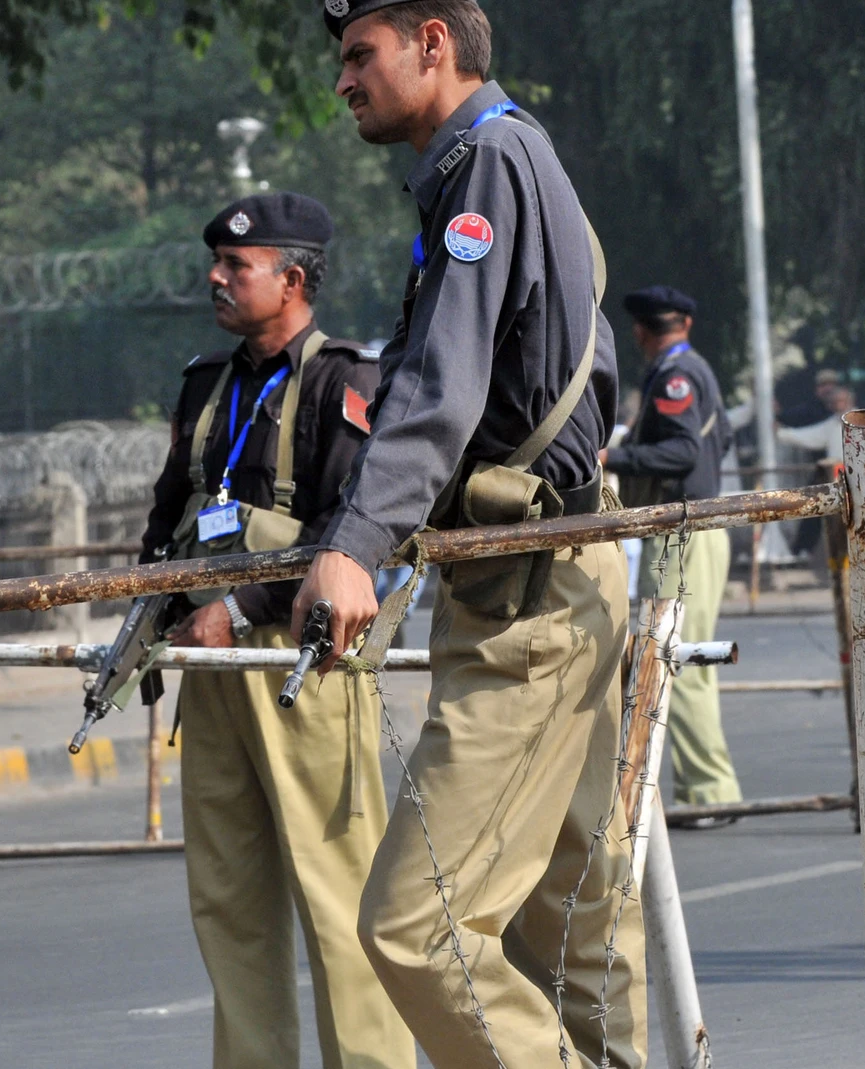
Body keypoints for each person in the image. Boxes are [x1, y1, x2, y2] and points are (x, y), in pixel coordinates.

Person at [305, 3, 646, 1066]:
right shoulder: (497, 161)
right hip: (549, 573)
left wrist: (355, 544)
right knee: (573, 928)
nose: (345, 82)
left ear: (432, 43)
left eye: (361, 55)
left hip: (530, 601)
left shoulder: (488, 164)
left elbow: (441, 389)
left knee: (417, 926)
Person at [138, 193, 413, 1069]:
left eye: (236, 266)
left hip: (306, 664)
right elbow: (166, 519)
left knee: (338, 902)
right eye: (215, 261)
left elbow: (353, 526)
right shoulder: (204, 385)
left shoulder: (343, 381)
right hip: (211, 667)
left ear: (292, 279)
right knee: (228, 906)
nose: (216, 278)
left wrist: (244, 608)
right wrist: (149, 616)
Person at [604, 285, 741, 824]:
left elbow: (683, 449)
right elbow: (719, 440)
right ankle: (709, 791)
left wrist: (614, 455)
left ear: (641, 331)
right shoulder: (697, 370)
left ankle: (710, 794)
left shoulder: (674, 376)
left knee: (671, 660)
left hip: (681, 531)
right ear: (684, 322)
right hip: (702, 529)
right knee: (683, 661)